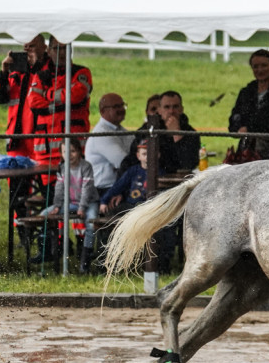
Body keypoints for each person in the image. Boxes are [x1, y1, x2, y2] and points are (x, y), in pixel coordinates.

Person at [101, 140, 178, 272]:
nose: (147, 157)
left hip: (151, 209)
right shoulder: (133, 171)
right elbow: (118, 186)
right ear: (138, 156)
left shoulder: (161, 173)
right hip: (131, 207)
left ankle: (162, 264)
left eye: (151, 153)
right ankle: (107, 259)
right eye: (144, 153)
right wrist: (104, 201)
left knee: (165, 228)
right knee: (108, 219)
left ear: (157, 155)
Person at [28, 36, 93, 184]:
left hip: (75, 152)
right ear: (49, 51)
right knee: (51, 199)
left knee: (74, 199)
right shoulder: (41, 75)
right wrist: (61, 101)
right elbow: (33, 103)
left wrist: (47, 94)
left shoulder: (82, 72)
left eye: (65, 48)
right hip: (46, 154)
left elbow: (75, 95)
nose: (61, 53)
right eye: (57, 48)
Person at [42, 140, 98, 272]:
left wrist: (82, 207)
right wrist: (57, 205)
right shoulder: (62, 168)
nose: (69, 155)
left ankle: (85, 260)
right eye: (65, 152)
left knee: (91, 223)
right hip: (71, 203)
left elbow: (87, 188)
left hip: (89, 203)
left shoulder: (86, 166)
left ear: (79, 152)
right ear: (61, 154)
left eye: (72, 151)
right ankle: (49, 250)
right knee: (45, 214)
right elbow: (59, 188)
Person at [228, 48, 269, 156]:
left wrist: (249, 128)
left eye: (264, 65)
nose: (260, 70)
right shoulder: (246, 92)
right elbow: (235, 117)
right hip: (246, 149)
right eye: (255, 67)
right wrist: (237, 128)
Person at [0, 34, 49, 159]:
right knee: (15, 176)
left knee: (40, 176)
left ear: (44, 48)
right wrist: (3, 72)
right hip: (17, 140)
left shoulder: (50, 69)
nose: (28, 50)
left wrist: (36, 66)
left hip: (39, 138)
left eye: (32, 46)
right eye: (26, 47)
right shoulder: (16, 71)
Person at [123, 90, 200, 174]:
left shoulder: (191, 133)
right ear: (159, 110)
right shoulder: (147, 130)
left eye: (175, 107)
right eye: (167, 107)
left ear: (181, 109)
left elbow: (189, 164)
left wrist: (177, 134)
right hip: (148, 179)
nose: (171, 111)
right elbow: (132, 159)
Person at [86, 93, 133, 197]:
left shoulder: (121, 130)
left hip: (117, 186)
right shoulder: (101, 134)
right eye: (116, 106)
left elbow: (133, 157)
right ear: (103, 111)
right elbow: (123, 162)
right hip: (102, 191)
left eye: (122, 105)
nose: (121, 109)